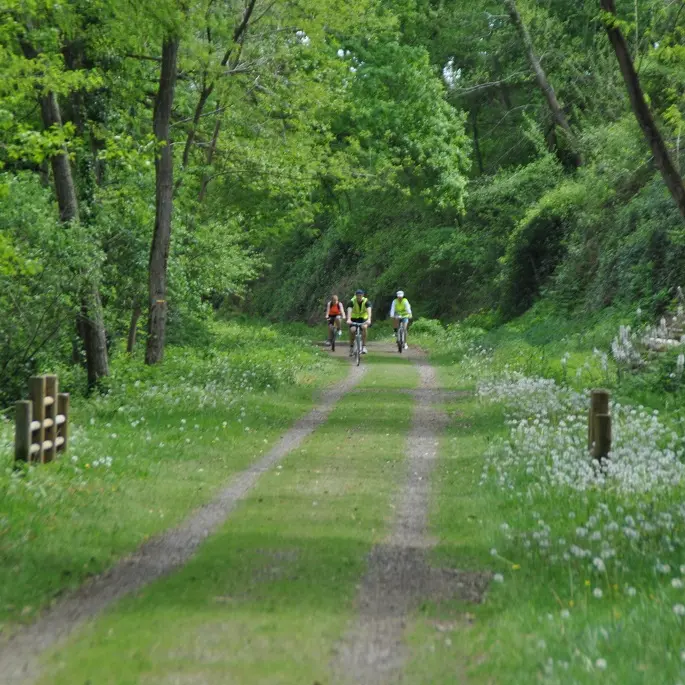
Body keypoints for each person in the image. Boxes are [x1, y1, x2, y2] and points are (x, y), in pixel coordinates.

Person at [346, 289, 372, 355]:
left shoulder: (366, 301)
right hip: (354, 318)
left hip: (363, 318)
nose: (359, 297)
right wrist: (348, 319)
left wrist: (369, 319)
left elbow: (369, 310)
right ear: (355, 295)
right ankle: (351, 347)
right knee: (352, 330)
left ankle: (364, 346)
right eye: (358, 295)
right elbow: (349, 310)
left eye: (360, 295)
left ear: (362, 295)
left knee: (364, 328)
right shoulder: (352, 301)